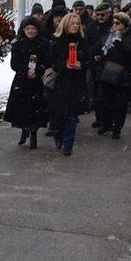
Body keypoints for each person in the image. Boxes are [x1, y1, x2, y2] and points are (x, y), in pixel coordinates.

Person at [48, 13, 90, 156]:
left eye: (77, 23)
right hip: (61, 82)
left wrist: (80, 64)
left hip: (77, 82)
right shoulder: (57, 41)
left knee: (72, 115)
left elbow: (88, 60)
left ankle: (68, 144)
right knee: (59, 114)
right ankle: (58, 135)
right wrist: (64, 65)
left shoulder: (82, 41)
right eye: (72, 23)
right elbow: (52, 61)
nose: (75, 26)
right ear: (66, 24)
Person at [4, 17, 49, 148]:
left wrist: (38, 71)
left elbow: (47, 61)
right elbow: (14, 64)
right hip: (22, 81)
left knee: (36, 108)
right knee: (22, 108)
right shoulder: (18, 45)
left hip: (37, 81)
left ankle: (34, 133)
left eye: (33, 29)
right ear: (24, 30)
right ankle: (24, 130)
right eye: (28, 28)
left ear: (37, 30)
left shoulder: (44, 44)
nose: (30, 31)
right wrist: (26, 71)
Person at [96, 12, 131, 139]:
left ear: (125, 24)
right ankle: (106, 124)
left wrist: (122, 47)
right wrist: (99, 56)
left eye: (118, 23)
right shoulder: (109, 35)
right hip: (108, 71)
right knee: (105, 100)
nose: (114, 25)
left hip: (124, 74)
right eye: (113, 23)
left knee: (120, 103)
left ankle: (117, 128)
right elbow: (102, 49)